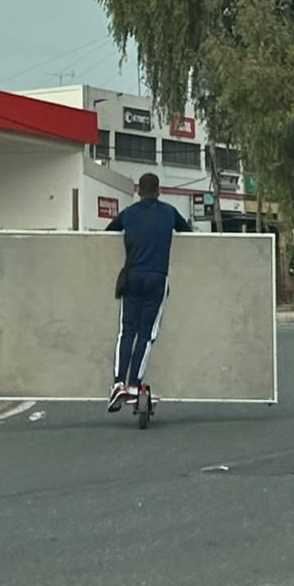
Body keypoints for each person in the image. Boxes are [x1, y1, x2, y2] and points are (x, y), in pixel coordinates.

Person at [104, 172, 193, 411]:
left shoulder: (129, 213)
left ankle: (117, 384)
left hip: (132, 277)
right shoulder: (169, 213)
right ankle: (134, 385)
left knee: (126, 331)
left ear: (138, 191)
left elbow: (107, 233)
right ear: (159, 190)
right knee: (146, 334)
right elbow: (188, 233)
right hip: (157, 279)